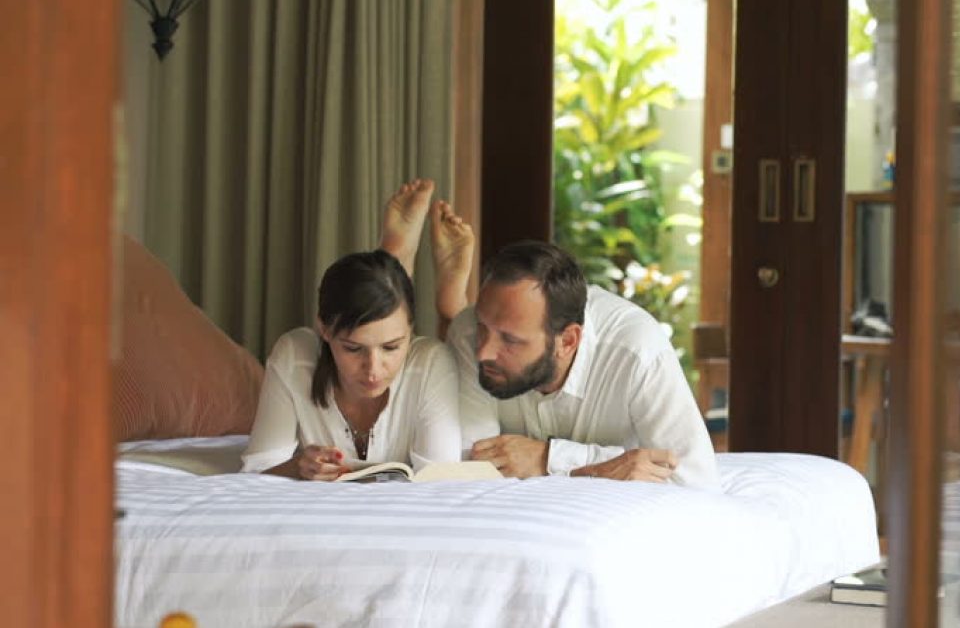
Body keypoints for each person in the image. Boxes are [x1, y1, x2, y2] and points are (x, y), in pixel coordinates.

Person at [388, 191, 717, 487]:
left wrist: (550, 458)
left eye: (510, 340)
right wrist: (606, 464)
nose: (484, 352)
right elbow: (473, 466)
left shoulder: (637, 352)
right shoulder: (468, 333)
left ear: (568, 341)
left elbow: (694, 480)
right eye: (484, 328)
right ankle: (447, 300)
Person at [241, 182, 463, 480]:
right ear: (323, 329)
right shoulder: (295, 355)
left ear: (411, 331)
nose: (373, 369)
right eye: (353, 348)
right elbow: (256, 472)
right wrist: (298, 466)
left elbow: (442, 479)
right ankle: (396, 257)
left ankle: (438, 293)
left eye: (391, 347)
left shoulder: (430, 363)